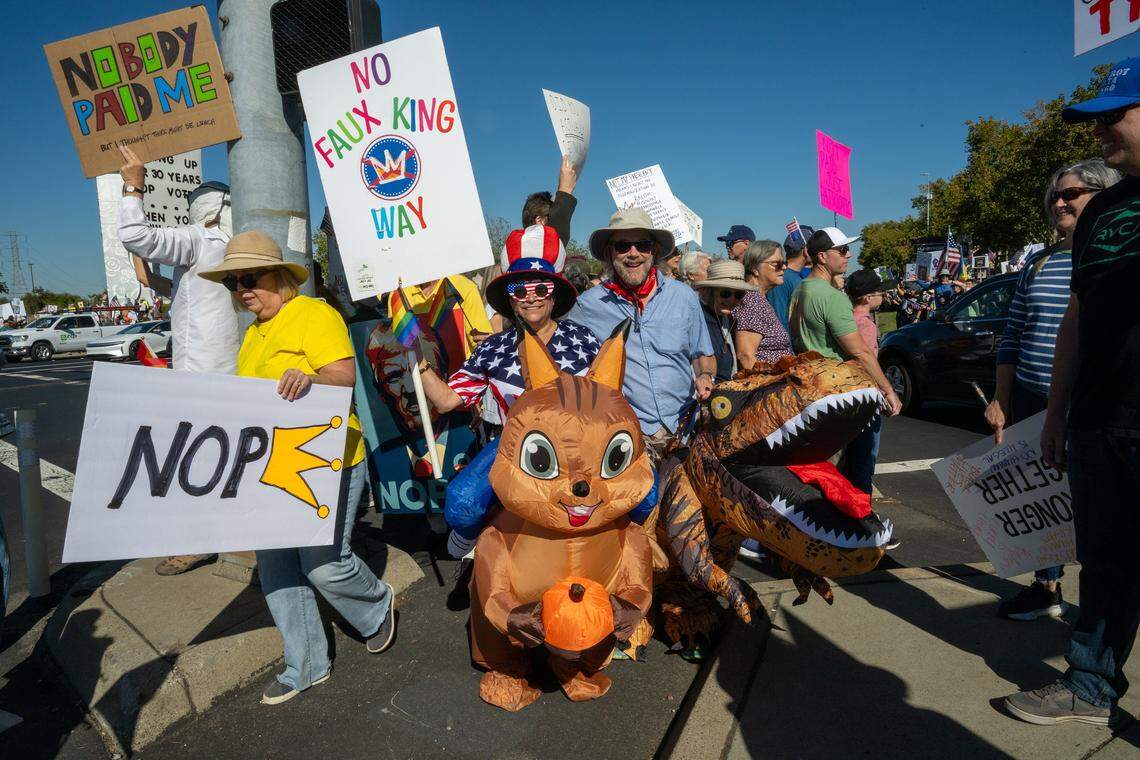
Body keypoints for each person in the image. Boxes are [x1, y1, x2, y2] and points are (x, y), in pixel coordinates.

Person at [198, 231, 396, 706]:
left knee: (324, 565)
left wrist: (307, 378)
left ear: (281, 277)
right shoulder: (253, 334)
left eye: (252, 277)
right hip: (271, 469)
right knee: (276, 566)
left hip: (327, 462)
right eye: (233, 282)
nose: (243, 288)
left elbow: (343, 376)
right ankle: (304, 664)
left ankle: (376, 604)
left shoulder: (312, 313)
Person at [1004, 59, 1140, 727]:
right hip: (1098, 422)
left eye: (1114, 115)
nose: (1099, 130)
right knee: (1107, 566)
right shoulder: (1104, 212)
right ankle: (1090, 687)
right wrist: (1056, 413)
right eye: (1095, 119)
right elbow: (1077, 319)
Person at [987, 159, 1120, 623]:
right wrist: (1001, 400)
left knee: (1096, 509)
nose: (1059, 202)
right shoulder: (1038, 264)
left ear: (1104, 198)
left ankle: (1106, 612)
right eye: (1054, 196)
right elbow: (1013, 334)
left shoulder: (1117, 259)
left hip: (1094, 406)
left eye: (1072, 194)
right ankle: (1046, 587)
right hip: (1031, 398)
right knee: (1040, 504)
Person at [415, 225, 600, 558]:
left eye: (541, 287)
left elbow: (607, 403)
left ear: (554, 292)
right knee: (462, 505)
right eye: (519, 287)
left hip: (579, 447)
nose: (530, 296)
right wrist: (418, 362)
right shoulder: (494, 348)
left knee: (646, 495)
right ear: (510, 297)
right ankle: (475, 558)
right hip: (512, 447)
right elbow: (446, 400)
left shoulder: (584, 341)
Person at [118, 145, 241, 577]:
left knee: (194, 461)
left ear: (202, 210)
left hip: (199, 378)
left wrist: (134, 185)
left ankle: (195, 544)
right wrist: (149, 275)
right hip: (230, 373)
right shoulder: (235, 249)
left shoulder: (199, 238)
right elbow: (192, 296)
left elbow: (135, 235)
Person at [568, 208, 715, 459]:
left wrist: (705, 375)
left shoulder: (684, 296)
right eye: (623, 246)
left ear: (654, 252)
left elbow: (704, 354)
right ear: (609, 253)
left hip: (686, 429)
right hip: (627, 438)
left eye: (642, 245)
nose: (633, 254)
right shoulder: (587, 306)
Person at [789, 227, 903, 497]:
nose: (848, 255)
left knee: (821, 472)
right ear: (821, 257)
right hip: (837, 393)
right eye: (841, 250)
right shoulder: (832, 298)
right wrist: (887, 389)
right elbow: (861, 352)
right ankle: (852, 529)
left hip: (810, 389)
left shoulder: (802, 290)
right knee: (843, 474)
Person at [692, 260, 757, 381]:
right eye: (725, 293)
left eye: (738, 295)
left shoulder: (728, 320)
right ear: (709, 291)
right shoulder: (697, 318)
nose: (732, 300)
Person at [733, 240, 793, 371]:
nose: (784, 267)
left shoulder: (759, 298)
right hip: (767, 386)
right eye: (777, 264)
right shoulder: (751, 301)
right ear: (755, 269)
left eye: (784, 263)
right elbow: (746, 356)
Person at [521, 155, 580, 246]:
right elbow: (555, 238)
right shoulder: (537, 253)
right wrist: (565, 191)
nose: (563, 223)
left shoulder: (520, 251)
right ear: (540, 221)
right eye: (553, 216)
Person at [768, 224, 814, 330]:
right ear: (806, 251)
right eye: (815, 248)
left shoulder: (795, 276)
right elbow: (779, 321)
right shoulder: (783, 277)